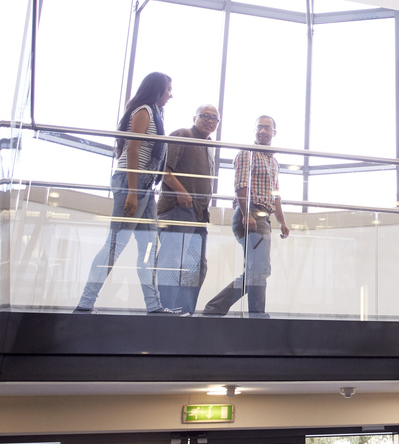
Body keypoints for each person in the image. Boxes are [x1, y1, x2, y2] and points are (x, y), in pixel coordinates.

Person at [75, 72, 183, 315]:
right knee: (115, 245)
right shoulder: (143, 111)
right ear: (156, 90)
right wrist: (133, 193)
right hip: (131, 183)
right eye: (168, 90)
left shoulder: (155, 114)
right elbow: (132, 150)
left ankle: (154, 307)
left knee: (147, 247)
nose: (171, 94)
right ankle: (84, 304)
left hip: (146, 187)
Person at [201, 115, 289, 318]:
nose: (262, 131)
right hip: (249, 214)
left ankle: (234, 311)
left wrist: (282, 222)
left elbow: (275, 195)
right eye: (259, 127)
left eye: (267, 128)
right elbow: (241, 185)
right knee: (260, 268)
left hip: (264, 217)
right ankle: (243, 313)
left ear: (274, 133)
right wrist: (247, 214)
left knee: (258, 269)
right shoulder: (246, 154)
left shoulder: (274, 162)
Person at [155, 104, 220, 314]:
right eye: (205, 116)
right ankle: (167, 310)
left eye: (214, 119)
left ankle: (186, 312)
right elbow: (164, 171)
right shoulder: (182, 134)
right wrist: (182, 193)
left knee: (197, 267)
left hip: (200, 215)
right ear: (195, 117)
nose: (210, 121)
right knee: (172, 262)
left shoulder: (209, 146)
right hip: (178, 209)